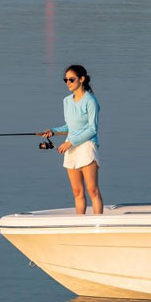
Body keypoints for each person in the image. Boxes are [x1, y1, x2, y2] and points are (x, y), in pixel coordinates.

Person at [42, 65, 103, 214]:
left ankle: (98, 224)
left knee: (92, 190)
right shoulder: (67, 101)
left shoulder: (91, 101)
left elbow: (92, 129)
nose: (68, 82)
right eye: (65, 80)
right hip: (71, 147)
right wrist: (53, 131)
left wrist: (70, 142)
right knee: (77, 191)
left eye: (71, 79)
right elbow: (70, 126)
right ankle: (80, 223)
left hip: (86, 146)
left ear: (81, 79)